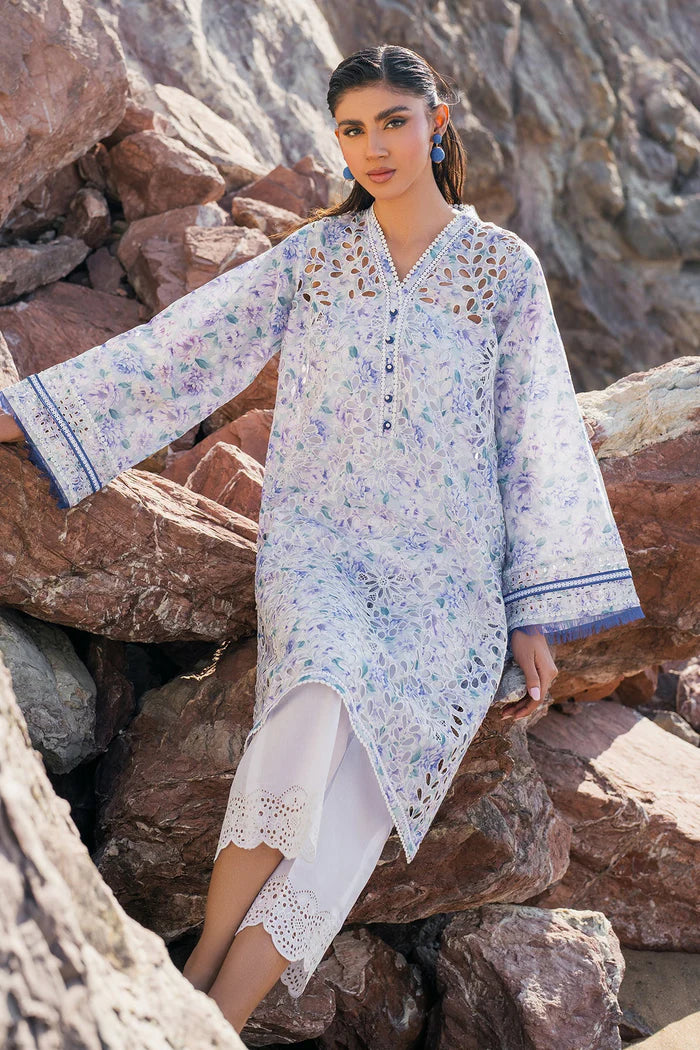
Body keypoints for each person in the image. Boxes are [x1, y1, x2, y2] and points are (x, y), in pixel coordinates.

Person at [0, 44, 644, 1033]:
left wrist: (530, 615)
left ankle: (211, 1024)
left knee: (347, 820)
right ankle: (193, 972)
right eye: (352, 129)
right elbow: (189, 349)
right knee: (307, 717)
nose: (373, 147)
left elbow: (535, 440)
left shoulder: (502, 272)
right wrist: (35, 413)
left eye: (393, 122)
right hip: (321, 553)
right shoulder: (315, 257)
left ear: (436, 124)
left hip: (449, 586)